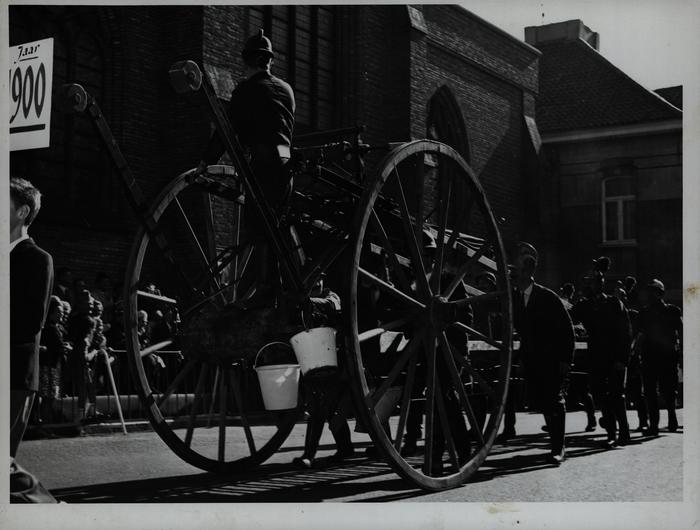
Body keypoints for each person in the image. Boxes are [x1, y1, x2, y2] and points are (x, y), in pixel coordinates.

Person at [197, 29, 295, 309]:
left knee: (260, 229)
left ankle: (265, 290)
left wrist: (206, 161)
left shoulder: (246, 91)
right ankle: (281, 288)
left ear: (247, 62)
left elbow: (227, 131)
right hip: (287, 167)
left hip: (262, 167)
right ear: (269, 61)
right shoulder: (287, 90)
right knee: (279, 228)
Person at [9, 177, 57, 503]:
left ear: (22, 211)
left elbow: (30, 322)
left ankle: (49, 513)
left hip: (12, 373)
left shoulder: (37, 258)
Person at [511, 242, 575, 466]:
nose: (513, 276)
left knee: (554, 401)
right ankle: (556, 443)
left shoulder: (547, 297)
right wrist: (521, 360)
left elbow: (567, 331)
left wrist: (566, 361)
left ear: (528, 272)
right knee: (544, 402)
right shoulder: (516, 299)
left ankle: (559, 448)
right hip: (532, 359)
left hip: (552, 359)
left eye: (516, 272)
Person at [292, 274, 354, 469]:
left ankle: (310, 455)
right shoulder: (303, 304)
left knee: (326, 407)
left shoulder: (331, 296)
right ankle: (342, 448)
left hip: (336, 358)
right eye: (312, 280)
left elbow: (330, 305)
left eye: (319, 279)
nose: (317, 282)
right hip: (312, 358)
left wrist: (308, 301)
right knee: (320, 408)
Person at [571, 268, 632, 447]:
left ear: (602, 284)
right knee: (601, 396)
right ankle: (611, 434)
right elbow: (568, 316)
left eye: (594, 282)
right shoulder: (584, 305)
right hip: (596, 358)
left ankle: (624, 432)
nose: (591, 286)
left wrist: (623, 359)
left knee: (617, 395)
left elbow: (626, 333)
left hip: (615, 357)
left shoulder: (614, 303)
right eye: (588, 283)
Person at [636, 279, 682, 436]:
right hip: (649, 357)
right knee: (649, 392)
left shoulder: (673, 311)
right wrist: (635, 351)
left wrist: (682, 355)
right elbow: (640, 334)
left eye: (653, 291)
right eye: (649, 291)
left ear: (661, 293)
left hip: (668, 357)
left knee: (669, 390)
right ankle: (654, 425)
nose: (650, 294)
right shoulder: (644, 313)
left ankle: (672, 418)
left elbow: (682, 333)